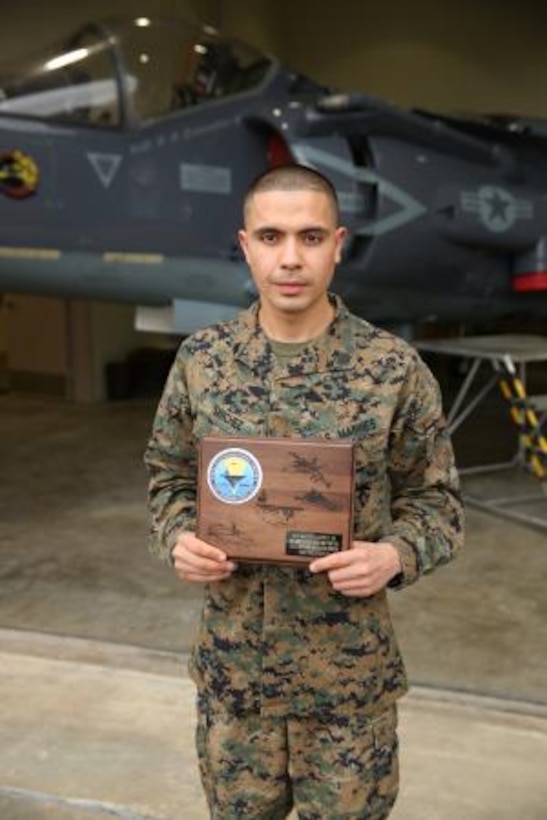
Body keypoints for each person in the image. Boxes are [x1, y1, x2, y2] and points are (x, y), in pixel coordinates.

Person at [144, 164, 464, 819]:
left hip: (346, 687)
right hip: (236, 682)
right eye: (271, 236)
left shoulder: (391, 370)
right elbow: (168, 477)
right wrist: (177, 536)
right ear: (244, 245)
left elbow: (438, 503)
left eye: (311, 237)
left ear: (339, 244)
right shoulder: (203, 362)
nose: (290, 258)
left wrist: (394, 555)